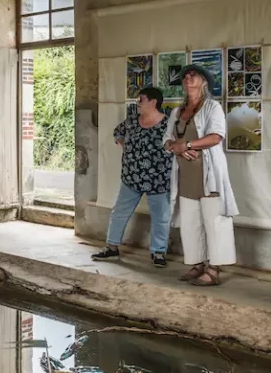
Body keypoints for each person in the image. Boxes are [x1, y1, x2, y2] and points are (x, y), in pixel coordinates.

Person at [162, 65, 238, 287]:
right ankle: (197, 264)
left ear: (204, 81)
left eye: (192, 76)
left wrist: (186, 144)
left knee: (214, 221)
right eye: (185, 77)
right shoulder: (178, 112)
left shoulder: (212, 107)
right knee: (190, 223)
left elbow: (216, 137)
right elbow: (167, 138)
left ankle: (213, 269)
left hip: (208, 174)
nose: (187, 79)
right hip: (185, 175)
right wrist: (175, 147)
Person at [92, 86, 173, 267]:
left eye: (141, 100)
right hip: (131, 177)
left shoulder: (168, 125)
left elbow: (175, 145)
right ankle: (112, 247)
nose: (138, 103)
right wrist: (124, 146)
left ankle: (158, 252)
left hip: (158, 179)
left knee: (161, 216)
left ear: (153, 102)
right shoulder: (131, 122)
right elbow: (117, 132)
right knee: (119, 212)